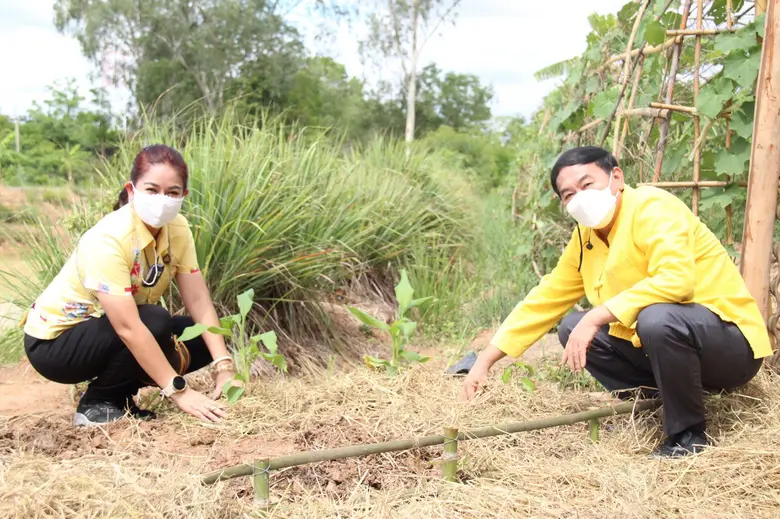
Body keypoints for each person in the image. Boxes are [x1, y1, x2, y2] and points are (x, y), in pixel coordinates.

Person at [460, 146, 771, 457]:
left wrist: (595, 316)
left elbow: (676, 281)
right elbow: (547, 296)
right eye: (568, 195)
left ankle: (688, 437)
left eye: (587, 184)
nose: (579, 198)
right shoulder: (586, 237)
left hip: (730, 345)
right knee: (571, 327)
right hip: (674, 346)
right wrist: (485, 360)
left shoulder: (653, 207)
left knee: (655, 318)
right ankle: (662, 403)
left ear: (616, 177)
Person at [20, 144, 236, 427]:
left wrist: (224, 366)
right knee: (155, 321)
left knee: (202, 336)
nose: (162, 199)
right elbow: (129, 328)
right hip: (56, 345)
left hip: (110, 329)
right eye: (152, 189)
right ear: (132, 190)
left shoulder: (178, 229)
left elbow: (198, 300)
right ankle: (98, 403)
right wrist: (180, 392)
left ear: (184, 195)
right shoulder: (108, 238)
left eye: (172, 192)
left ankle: (123, 393)